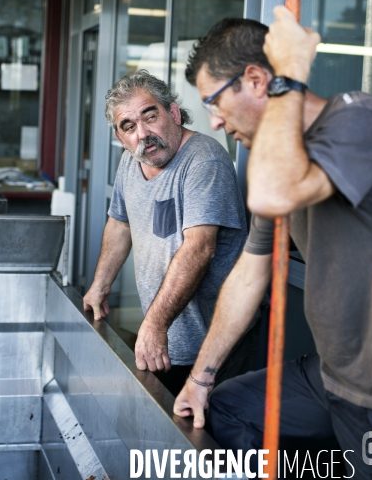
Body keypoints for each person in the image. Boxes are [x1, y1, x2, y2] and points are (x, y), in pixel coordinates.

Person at [173, 6, 372, 477]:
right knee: (227, 408)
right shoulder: (282, 160)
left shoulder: (360, 119)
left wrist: (288, 74)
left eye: (213, 102)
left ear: (255, 80)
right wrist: (200, 378)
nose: (214, 121)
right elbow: (251, 273)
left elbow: (274, 191)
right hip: (333, 376)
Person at [83, 70, 252, 396]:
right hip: (165, 333)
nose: (143, 133)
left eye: (150, 116)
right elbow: (120, 224)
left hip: (212, 339)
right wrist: (100, 286)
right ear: (120, 138)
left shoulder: (204, 160)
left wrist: (155, 325)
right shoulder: (130, 162)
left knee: (208, 434)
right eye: (129, 127)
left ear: (173, 113)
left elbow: (200, 248)